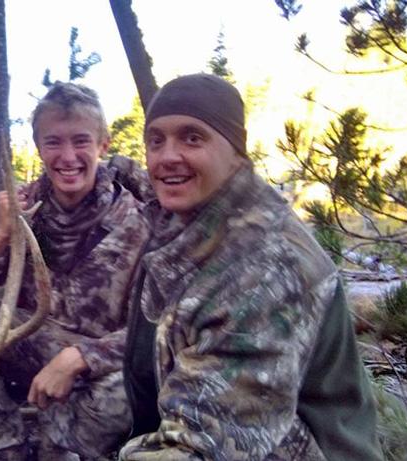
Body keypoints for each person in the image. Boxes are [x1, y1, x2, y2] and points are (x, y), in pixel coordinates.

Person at [120, 74, 382, 461]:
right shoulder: (184, 226)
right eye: (155, 140)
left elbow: (205, 445)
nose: (167, 156)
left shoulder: (267, 266)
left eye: (192, 137)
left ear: (237, 153)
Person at [0, 82, 150, 460]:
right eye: (53, 142)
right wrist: (2, 235)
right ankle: (1, 443)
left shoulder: (139, 220)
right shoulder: (18, 204)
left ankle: (56, 445)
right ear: (38, 147)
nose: (67, 156)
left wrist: (80, 356)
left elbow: (152, 330)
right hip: (24, 350)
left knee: (135, 384)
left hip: (98, 370)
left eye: (81, 141)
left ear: (103, 145)